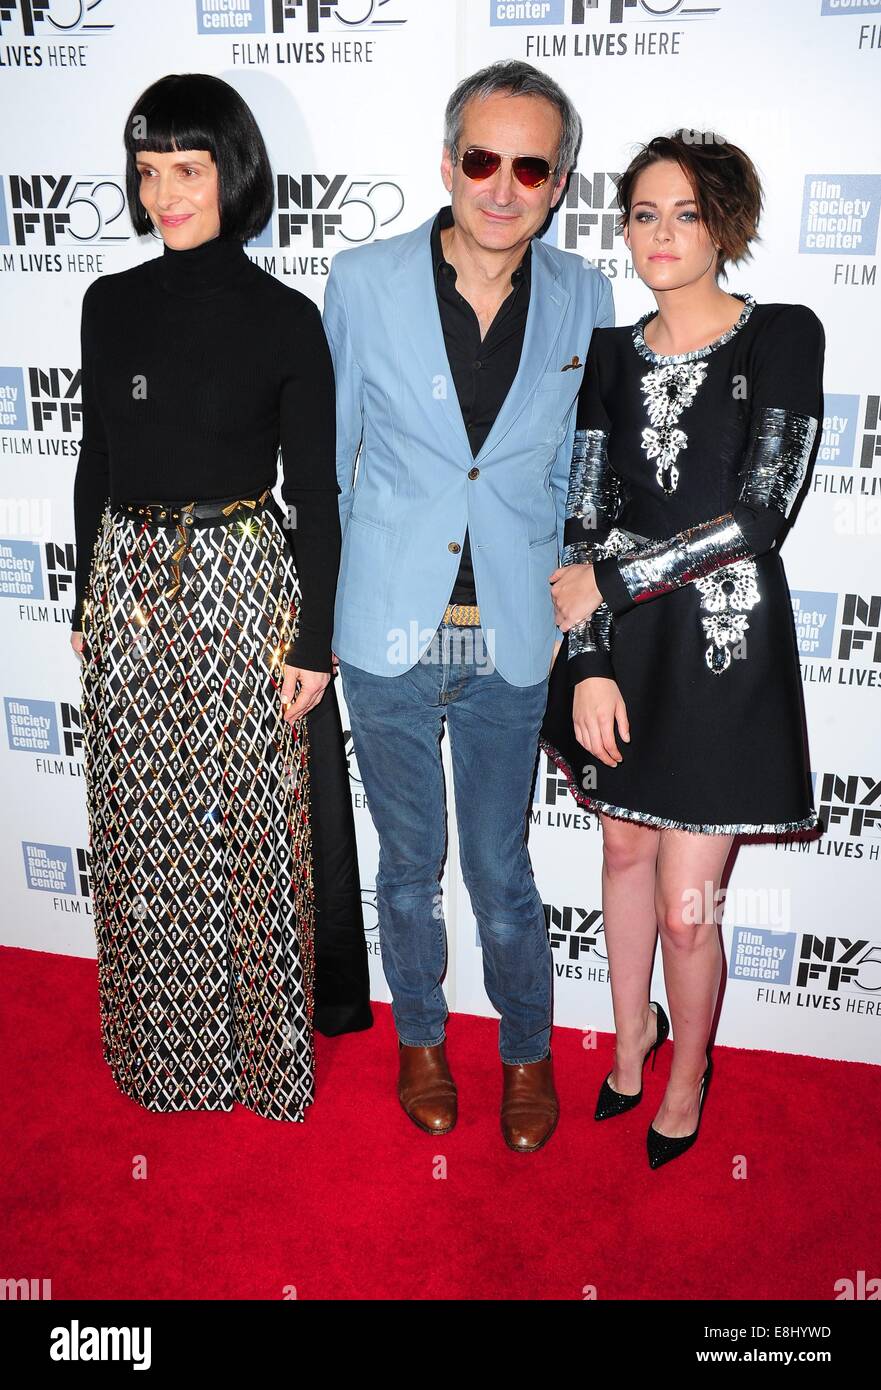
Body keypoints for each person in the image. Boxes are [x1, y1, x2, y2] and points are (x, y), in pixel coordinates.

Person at [323, 60, 614, 1152]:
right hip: (387, 630)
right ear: (446, 163)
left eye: (529, 165)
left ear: (558, 182)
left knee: (499, 863)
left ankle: (527, 1050)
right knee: (406, 863)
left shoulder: (586, 296)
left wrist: (581, 634)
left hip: (512, 634)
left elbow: (574, 478)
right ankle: (421, 1038)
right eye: (481, 159)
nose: (502, 184)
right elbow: (332, 460)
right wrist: (324, 619)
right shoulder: (361, 281)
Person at [71, 72, 370, 1123]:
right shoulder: (107, 304)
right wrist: (82, 601)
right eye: (149, 172)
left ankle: (257, 1057)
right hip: (129, 583)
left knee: (248, 831)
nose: (165, 194)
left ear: (231, 172)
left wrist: (315, 641)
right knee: (138, 826)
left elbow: (319, 500)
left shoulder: (286, 321)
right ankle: (159, 1055)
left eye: (188, 170)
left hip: (246, 579)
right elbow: (94, 456)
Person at [541, 130, 824, 1168]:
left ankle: (691, 1070)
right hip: (623, 647)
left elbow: (758, 516)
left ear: (724, 226)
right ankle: (630, 1044)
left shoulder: (779, 335)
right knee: (619, 848)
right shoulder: (607, 356)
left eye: (685, 213)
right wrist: (588, 658)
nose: (660, 234)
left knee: (686, 906)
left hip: (724, 643)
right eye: (643, 213)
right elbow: (581, 516)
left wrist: (605, 586)